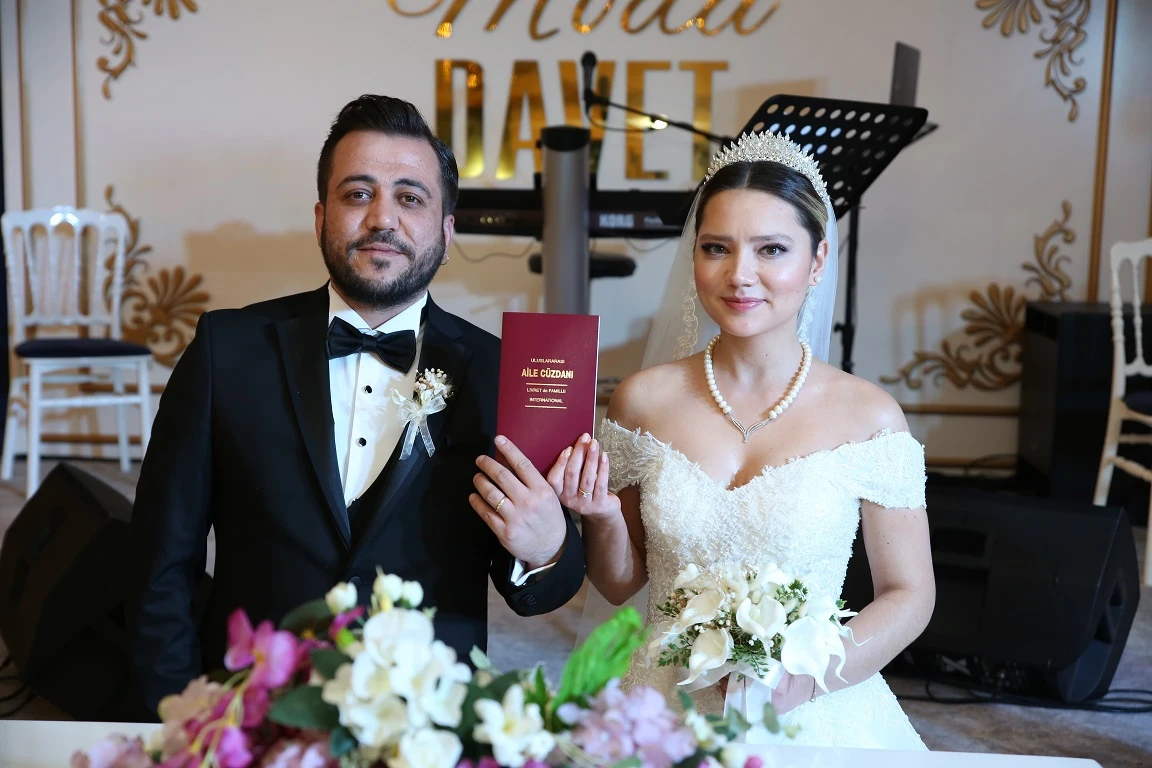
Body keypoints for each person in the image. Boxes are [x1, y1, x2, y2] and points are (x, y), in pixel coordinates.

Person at [129, 95, 585, 716]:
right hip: (254, 712)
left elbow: (543, 594)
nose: (382, 218)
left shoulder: (502, 372)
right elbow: (159, 563)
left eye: (411, 198)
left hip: (428, 719)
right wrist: (173, 717)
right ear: (321, 217)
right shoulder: (225, 349)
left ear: (447, 232)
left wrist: (548, 547)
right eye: (358, 193)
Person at [554, 132, 935, 749]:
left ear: (817, 261)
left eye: (771, 249)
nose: (739, 275)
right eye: (717, 248)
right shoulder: (641, 401)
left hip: (812, 705)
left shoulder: (870, 417)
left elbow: (910, 594)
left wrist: (806, 679)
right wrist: (599, 516)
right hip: (665, 704)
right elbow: (620, 583)